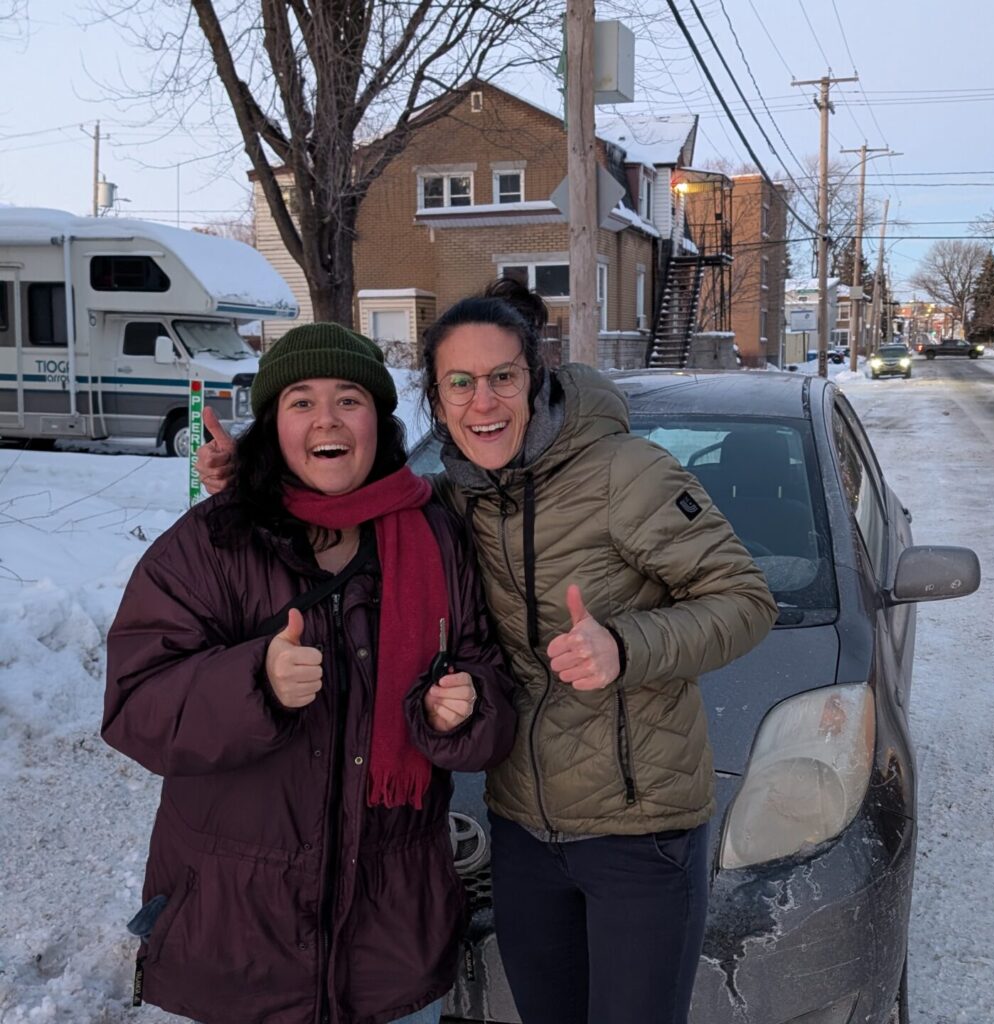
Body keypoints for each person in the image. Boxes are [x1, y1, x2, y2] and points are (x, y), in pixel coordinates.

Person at [198, 282, 777, 1024]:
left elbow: (746, 600)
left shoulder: (625, 475)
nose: (484, 403)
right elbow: (341, 505)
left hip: (640, 829)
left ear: (533, 381)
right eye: (460, 384)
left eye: (503, 377)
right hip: (522, 826)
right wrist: (246, 483)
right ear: (435, 403)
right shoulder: (450, 500)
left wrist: (627, 646)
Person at [103, 323, 517, 1024]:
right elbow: (135, 706)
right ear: (273, 425)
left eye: (348, 399)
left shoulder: (436, 538)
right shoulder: (212, 544)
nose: (326, 418)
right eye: (300, 401)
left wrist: (469, 707)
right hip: (237, 948)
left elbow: (490, 685)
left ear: (378, 424)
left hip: (394, 945)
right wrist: (251, 683)